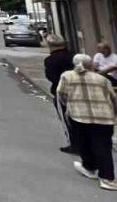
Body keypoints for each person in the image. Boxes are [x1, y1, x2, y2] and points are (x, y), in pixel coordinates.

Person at [58, 54, 117, 190]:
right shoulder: (102, 79)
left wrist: (69, 105)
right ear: (91, 65)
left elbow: (61, 93)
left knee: (84, 143)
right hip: (103, 117)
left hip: (79, 115)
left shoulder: (67, 76)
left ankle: (90, 167)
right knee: (103, 146)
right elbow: (112, 97)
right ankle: (107, 178)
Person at [44, 35, 77, 154]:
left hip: (61, 91)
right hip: (78, 91)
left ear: (50, 46)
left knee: (65, 118)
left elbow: (50, 77)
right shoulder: (73, 56)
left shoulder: (50, 60)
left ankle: (73, 144)